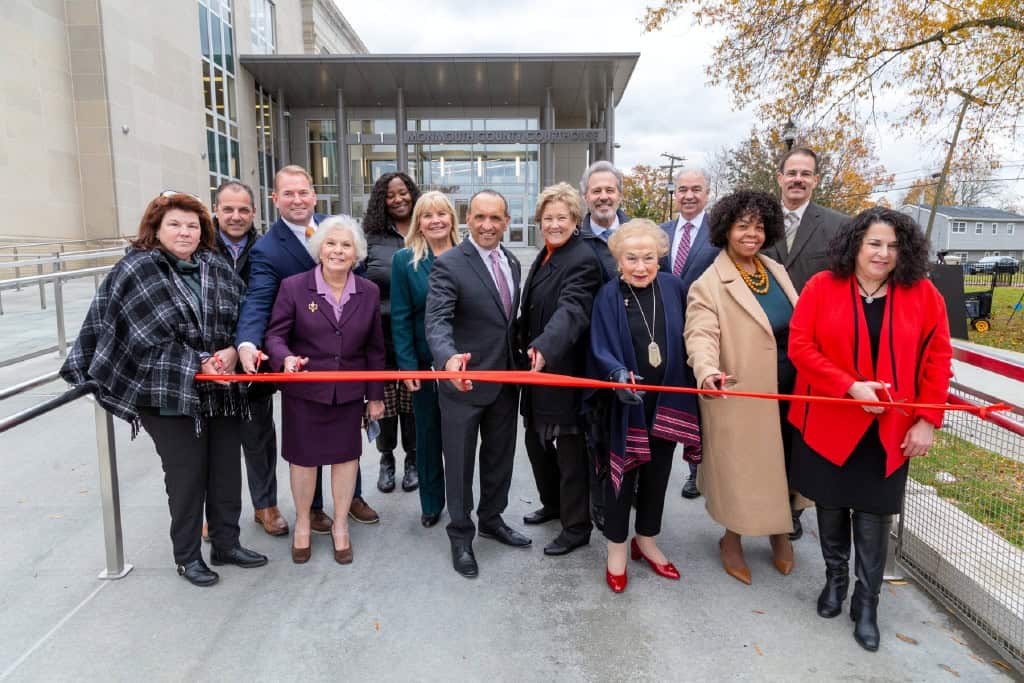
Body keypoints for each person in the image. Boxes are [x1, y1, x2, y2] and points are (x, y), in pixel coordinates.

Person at [61, 191, 267, 587]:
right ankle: (187, 556)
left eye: (192, 225)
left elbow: (242, 319)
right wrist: (197, 363)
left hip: (222, 388)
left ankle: (226, 542)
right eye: (174, 224)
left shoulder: (215, 267)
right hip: (166, 391)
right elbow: (141, 338)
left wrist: (229, 351)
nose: (185, 232)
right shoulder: (137, 269)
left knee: (225, 470)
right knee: (187, 475)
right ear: (155, 229)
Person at [788, 207, 952, 652]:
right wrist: (849, 386)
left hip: (890, 429)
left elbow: (937, 361)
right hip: (829, 420)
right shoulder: (823, 287)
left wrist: (927, 419)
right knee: (831, 504)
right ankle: (835, 582)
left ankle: (867, 603)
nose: (884, 253)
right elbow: (801, 347)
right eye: (875, 243)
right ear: (856, 245)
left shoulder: (924, 294)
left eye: (894, 246)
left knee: (876, 515)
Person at [235, 165, 379, 527]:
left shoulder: (339, 227)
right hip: (307, 362)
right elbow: (259, 302)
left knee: (347, 441)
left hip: (348, 358)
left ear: (314, 195)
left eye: (303, 192)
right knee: (306, 445)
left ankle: (351, 499)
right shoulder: (267, 249)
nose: (297, 200)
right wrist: (247, 343)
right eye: (288, 193)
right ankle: (312, 509)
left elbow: (358, 279)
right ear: (275, 199)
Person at [684, 190, 801, 586]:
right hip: (741, 390)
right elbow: (700, 334)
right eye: (741, 226)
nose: (751, 234)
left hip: (791, 389)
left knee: (785, 463)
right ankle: (731, 538)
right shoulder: (709, 283)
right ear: (725, 230)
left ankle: (779, 532)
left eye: (758, 226)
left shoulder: (775, 269)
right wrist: (706, 370)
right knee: (743, 471)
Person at [263, 216, 386, 564]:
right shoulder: (293, 287)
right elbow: (274, 335)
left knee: (346, 459)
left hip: (348, 394)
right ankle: (303, 522)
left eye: (346, 245)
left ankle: (341, 525)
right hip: (304, 392)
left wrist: (375, 395)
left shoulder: (369, 291)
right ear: (319, 248)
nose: (338, 251)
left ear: (356, 253)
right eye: (331, 243)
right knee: (303, 461)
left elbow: (375, 349)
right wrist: (284, 358)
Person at [587, 219, 701, 593]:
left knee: (658, 476)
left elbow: (689, 336)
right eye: (631, 258)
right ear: (618, 260)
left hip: (667, 401)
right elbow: (600, 345)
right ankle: (617, 549)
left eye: (648, 257)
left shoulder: (673, 287)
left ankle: (646, 540)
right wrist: (617, 373)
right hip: (625, 403)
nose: (640, 266)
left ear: (660, 257)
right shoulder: (608, 294)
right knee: (622, 480)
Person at [425, 189, 530, 578]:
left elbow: (507, 322)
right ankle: (460, 534)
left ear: (506, 221)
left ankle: (492, 519)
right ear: (468, 219)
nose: (488, 225)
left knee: (500, 458)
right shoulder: (449, 264)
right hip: (463, 384)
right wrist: (448, 358)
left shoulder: (512, 261)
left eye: (496, 218)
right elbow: (436, 321)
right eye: (480, 217)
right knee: (460, 462)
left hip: (504, 381)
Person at [760, 146, 848, 540]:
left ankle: (794, 507)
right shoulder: (757, 223)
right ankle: (764, 501)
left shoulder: (838, 227)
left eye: (805, 174)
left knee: (803, 432)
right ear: (779, 177)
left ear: (815, 180)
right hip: (764, 346)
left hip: (813, 351)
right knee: (768, 430)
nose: (797, 179)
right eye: (791, 172)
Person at [517, 183, 603, 556]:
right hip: (537, 372)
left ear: (575, 220)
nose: (554, 224)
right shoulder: (546, 255)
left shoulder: (581, 258)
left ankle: (577, 526)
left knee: (569, 453)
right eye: (548, 218)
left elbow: (573, 310)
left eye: (562, 218)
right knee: (537, 446)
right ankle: (552, 505)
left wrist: (544, 348)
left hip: (563, 369)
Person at [213, 181, 286, 537]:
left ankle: (265, 505)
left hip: (255, 360)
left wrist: (241, 347)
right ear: (216, 210)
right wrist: (223, 350)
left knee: (259, 438)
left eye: (243, 209)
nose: (236, 216)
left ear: (255, 212)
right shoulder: (199, 246)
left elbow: (269, 304)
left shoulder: (267, 248)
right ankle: (215, 511)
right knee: (216, 443)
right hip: (213, 362)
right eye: (228, 209)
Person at [390, 191, 461, 527]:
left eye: (441, 213)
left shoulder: (468, 256)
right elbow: (400, 318)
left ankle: (463, 502)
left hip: (463, 362)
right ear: (418, 222)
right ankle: (432, 502)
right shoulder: (404, 261)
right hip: (422, 363)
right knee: (428, 435)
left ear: (452, 218)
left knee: (460, 437)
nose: (435, 220)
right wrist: (407, 366)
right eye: (427, 214)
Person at [577, 160, 632, 531]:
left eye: (609, 189)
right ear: (586, 197)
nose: (603, 196)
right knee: (594, 431)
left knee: (630, 428)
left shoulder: (639, 234)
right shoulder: (574, 238)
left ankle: (629, 496)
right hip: (588, 350)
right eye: (596, 190)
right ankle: (598, 500)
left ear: (619, 194)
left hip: (632, 347)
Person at [658, 168, 719, 500]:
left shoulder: (718, 235)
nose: (689, 195)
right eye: (682, 189)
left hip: (704, 329)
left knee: (700, 403)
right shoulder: (661, 232)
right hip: (665, 330)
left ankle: (697, 471)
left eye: (696, 189)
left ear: (707, 193)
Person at [362, 172, 420, 495]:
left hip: (414, 333)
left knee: (412, 401)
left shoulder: (424, 230)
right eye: (390, 195)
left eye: (403, 193)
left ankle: (413, 458)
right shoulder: (370, 237)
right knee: (383, 401)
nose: (398, 199)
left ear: (412, 194)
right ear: (381, 201)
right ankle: (386, 458)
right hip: (379, 334)